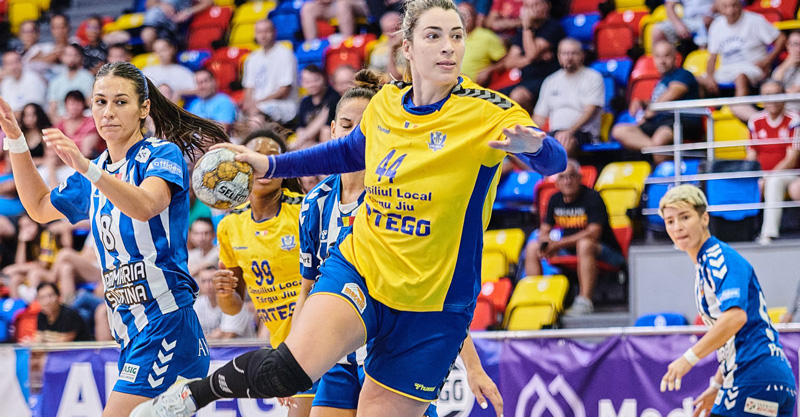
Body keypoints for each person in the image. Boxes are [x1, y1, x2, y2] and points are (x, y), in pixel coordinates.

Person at [134, 0, 566, 415]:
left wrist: (535, 147)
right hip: (363, 266)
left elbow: (554, 161)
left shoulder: (486, 110)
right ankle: (192, 395)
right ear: (408, 47)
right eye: (434, 36)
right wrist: (271, 164)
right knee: (287, 372)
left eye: (456, 36)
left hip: (435, 304)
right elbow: (347, 151)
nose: (448, 46)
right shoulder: (386, 104)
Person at [0, 61, 229, 416]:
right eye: (100, 102)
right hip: (131, 332)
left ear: (144, 108)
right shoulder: (96, 170)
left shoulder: (160, 154)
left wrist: (87, 168)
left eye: (121, 102)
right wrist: (16, 139)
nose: (108, 112)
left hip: (165, 322)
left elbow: (146, 205)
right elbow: (40, 207)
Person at [296, 69, 502, 417]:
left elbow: (433, 296)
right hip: (339, 355)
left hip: (392, 352)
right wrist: (295, 364)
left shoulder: (401, 201)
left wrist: (472, 365)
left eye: (365, 127)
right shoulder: (315, 202)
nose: (355, 135)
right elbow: (307, 290)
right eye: (346, 125)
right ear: (332, 130)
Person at [658, 184, 796, 417]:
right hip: (769, 379)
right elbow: (734, 336)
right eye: (670, 221)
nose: (677, 227)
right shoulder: (705, 265)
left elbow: (735, 317)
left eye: (685, 217)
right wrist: (716, 385)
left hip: (753, 377)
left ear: (704, 218)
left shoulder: (718, 258)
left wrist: (688, 359)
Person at [211, 128, 315, 416]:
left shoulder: (305, 210)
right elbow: (233, 308)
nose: (263, 162)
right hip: (284, 350)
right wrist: (224, 293)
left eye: (272, 156)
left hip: (318, 340)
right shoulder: (230, 226)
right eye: (255, 156)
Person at [523, 160, 624, 316]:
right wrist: (545, 242)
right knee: (532, 247)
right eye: (563, 177)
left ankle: (585, 302)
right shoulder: (555, 199)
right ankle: (535, 299)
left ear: (580, 178)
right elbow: (545, 228)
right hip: (570, 249)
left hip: (607, 252)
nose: (567, 181)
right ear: (557, 183)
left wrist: (558, 244)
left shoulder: (593, 198)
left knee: (585, 244)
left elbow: (594, 233)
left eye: (571, 176)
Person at [611, 41, 703, 165]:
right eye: (658, 56)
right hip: (659, 122)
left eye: (666, 56)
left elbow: (674, 92)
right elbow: (656, 101)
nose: (662, 61)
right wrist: (642, 102)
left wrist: (652, 110)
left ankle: (659, 154)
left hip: (680, 121)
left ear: (675, 57)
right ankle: (657, 149)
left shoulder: (683, 74)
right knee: (619, 130)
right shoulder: (662, 81)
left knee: (660, 139)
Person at [701, 0, 785, 122]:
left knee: (740, 77)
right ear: (718, 8)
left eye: (734, 5)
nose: (730, 10)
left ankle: (743, 115)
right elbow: (712, 57)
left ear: (740, 5)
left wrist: (767, 61)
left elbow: (781, 38)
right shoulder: (716, 25)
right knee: (696, 79)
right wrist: (709, 76)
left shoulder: (755, 20)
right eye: (725, 6)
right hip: (726, 69)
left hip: (751, 67)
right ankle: (703, 123)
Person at [745, 80, 800, 245]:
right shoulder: (755, 121)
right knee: (743, 183)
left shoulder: (794, 120)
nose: (773, 99)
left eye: (777, 94)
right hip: (762, 174)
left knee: (774, 181)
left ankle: (768, 235)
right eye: (768, 95)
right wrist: (754, 176)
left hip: (791, 174)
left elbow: (791, 159)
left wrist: (768, 177)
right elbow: (751, 156)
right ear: (761, 98)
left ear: (784, 97)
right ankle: (741, 233)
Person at [532, 38, 604, 156]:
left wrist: (570, 131)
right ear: (559, 56)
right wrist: (529, 134)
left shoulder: (593, 77)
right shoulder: (551, 81)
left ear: (582, 56)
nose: (569, 57)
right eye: (565, 53)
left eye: (573, 53)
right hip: (554, 133)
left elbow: (590, 111)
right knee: (518, 150)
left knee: (564, 142)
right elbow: (539, 116)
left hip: (583, 133)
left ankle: (557, 167)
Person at [500, 0, 565, 113]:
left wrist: (527, 27)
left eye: (536, 5)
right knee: (491, 98)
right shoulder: (521, 32)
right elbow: (509, 62)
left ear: (547, 6)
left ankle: (531, 121)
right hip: (526, 81)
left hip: (547, 80)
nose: (532, 9)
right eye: (527, 6)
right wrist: (530, 59)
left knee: (518, 96)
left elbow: (531, 54)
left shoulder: (552, 27)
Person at [242, 19, 298, 124]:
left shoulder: (285, 54)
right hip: (257, 105)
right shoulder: (252, 58)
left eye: (266, 31)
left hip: (283, 105)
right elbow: (249, 88)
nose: (263, 36)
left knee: (256, 120)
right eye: (259, 32)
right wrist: (249, 103)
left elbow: (284, 91)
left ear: (274, 32)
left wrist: (258, 103)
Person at [193, 268, 255, 339]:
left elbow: (227, 337)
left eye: (212, 280)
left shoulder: (234, 301)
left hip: (238, 346)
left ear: (220, 281)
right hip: (210, 345)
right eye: (204, 281)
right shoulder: (198, 303)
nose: (208, 285)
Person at [459, 2, 506, 86]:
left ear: (475, 17)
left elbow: (506, 61)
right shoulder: (449, 37)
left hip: (473, 88)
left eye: (466, 15)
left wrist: (490, 69)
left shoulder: (486, 36)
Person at [295, 65, 341, 149]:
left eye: (315, 80)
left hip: (327, 142)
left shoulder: (333, 97)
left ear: (323, 78)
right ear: (302, 83)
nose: (312, 85)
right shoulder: (305, 102)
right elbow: (300, 128)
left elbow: (326, 127)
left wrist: (303, 139)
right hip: (309, 142)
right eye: (307, 82)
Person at [46, 44, 94, 120]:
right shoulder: (55, 81)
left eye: (75, 55)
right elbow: (52, 109)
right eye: (68, 55)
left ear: (80, 57)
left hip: (82, 118)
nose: (71, 58)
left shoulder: (88, 77)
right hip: (62, 119)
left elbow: (90, 103)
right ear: (62, 57)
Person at [56, 90, 103, 158]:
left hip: (87, 160)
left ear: (83, 105)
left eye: (78, 104)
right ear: (65, 105)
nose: (74, 107)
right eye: (71, 104)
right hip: (63, 160)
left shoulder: (92, 123)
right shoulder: (60, 125)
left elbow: (87, 153)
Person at [300, 0, 367, 40]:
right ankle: (312, 47)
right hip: (335, 4)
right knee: (308, 8)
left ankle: (347, 44)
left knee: (342, 5)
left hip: (361, 4)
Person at [771, 30, 800, 113]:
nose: (798, 49)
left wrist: (777, 94)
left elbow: (794, 91)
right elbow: (773, 86)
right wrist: (786, 65)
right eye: (795, 44)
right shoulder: (784, 66)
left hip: (795, 110)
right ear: (787, 45)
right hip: (781, 111)